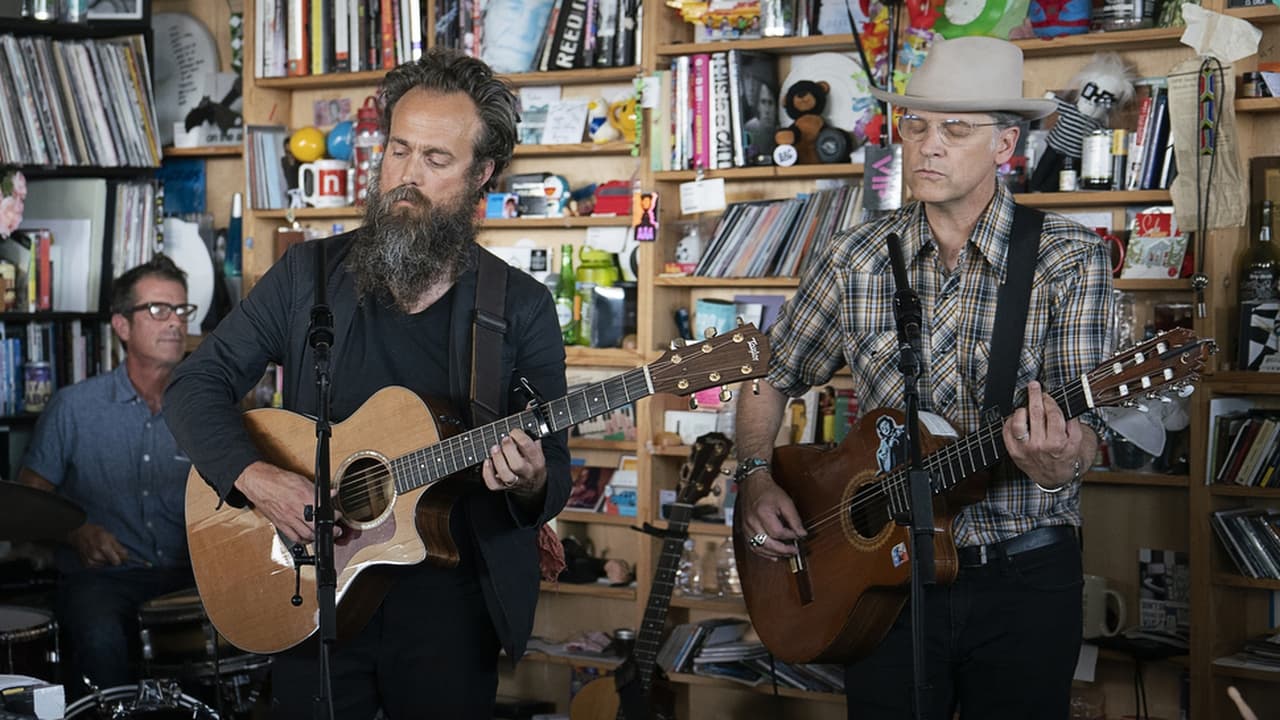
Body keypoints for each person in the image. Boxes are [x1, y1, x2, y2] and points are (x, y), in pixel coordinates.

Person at [164, 48, 571, 719]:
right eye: (398, 150)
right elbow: (194, 386)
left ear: (482, 175)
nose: (406, 176)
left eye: (436, 160)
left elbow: (553, 467)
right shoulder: (309, 276)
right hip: (308, 589)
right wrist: (255, 478)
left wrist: (528, 480)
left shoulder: (518, 305)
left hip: (450, 608)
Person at [734, 37, 1114, 719]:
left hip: (1022, 578)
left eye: (954, 130)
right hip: (883, 585)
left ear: (1005, 145)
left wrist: (1059, 461)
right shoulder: (854, 255)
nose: (926, 146)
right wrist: (755, 475)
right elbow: (770, 373)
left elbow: (1089, 433)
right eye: (915, 126)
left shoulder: (1068, 258)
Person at [18, 255, 197, 696]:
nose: (175, 322)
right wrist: (76, 532)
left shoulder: (207, 410)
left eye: (182, 310)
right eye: (159, 310)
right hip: (104, 580)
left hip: (192, 574)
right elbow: (26, 498)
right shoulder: (74, 408)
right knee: (99, 633)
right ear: (121, 326)